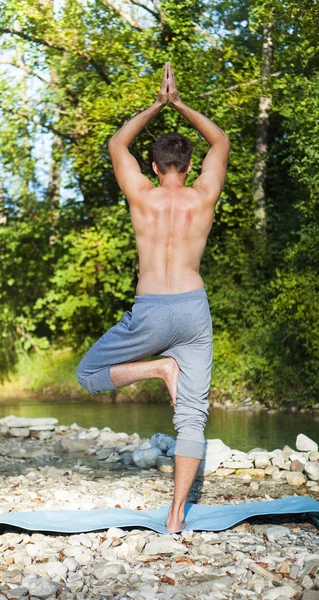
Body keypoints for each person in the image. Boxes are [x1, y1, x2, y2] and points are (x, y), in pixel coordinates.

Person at [76, 62, 230, 532]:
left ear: (156, 165)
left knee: (88, 374)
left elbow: (116, 144)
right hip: (191, 309)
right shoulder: (203, 195)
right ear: (186, 166)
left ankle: (156, 367)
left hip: (149, 311)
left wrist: (156, 104)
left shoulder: (141, 194)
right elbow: (220, 141)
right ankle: (176, 514)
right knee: (192, 418)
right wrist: (181, 104)